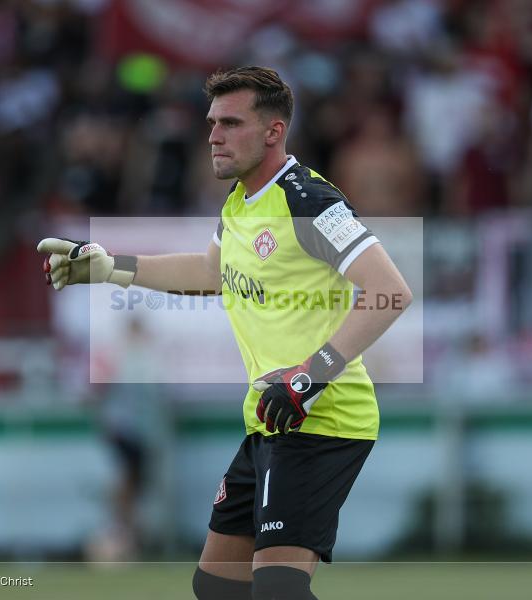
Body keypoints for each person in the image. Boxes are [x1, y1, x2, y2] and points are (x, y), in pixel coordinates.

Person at [37, 66, 411, 600]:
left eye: (231, 122)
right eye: (212, 122)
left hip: (322, 419)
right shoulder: (239, 203)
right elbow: (209, 275)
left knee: (277, 589)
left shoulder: (309, 200)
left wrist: (311, 377)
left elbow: (390, 291)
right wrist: (107, 267)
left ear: (273, 132)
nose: (213, 134)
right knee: (216, 586)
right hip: (270, 418)